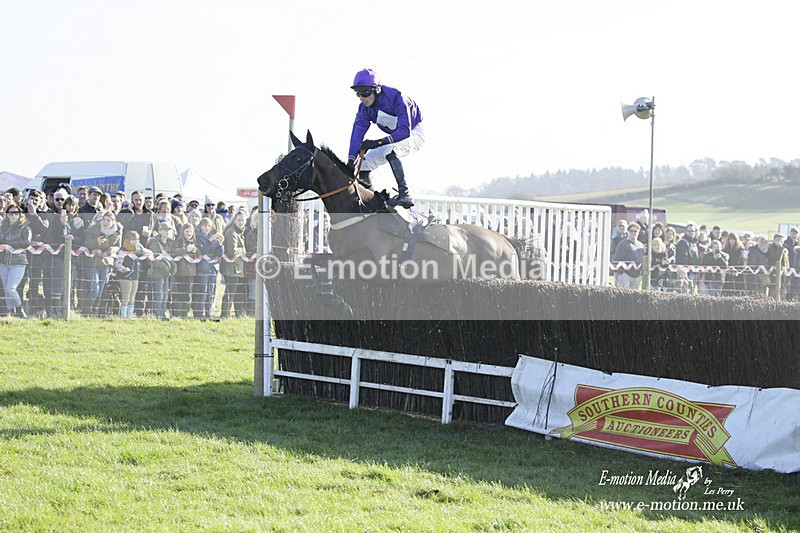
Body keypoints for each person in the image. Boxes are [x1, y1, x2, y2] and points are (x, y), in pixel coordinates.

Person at [347, 68, 423, 208]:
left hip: (414, 133)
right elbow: (356, 135)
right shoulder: (364, 109)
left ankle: (404, 193)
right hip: (395, 138)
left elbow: (404, 131)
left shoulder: (396, 97)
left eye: (365, 93)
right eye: (358, 94)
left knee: (390, 150)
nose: (362, 98)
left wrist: (377, 143)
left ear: (377, 89)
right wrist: (350, 161)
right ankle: (370, 200)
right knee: (363, 164)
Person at [82, 211, 121, 316]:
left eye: (108, 220)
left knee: (100, 291)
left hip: (105, 263)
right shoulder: (93, 230)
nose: (105, 222)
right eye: (104, 220)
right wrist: (96, 242)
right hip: (92, 263)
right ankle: (86, 313)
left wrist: (110, 251)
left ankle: (94, 313)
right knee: (95, 289)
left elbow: (118, 246)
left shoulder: (117, 232)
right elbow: (86, 243)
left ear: (113, 221)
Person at [0, 203, 32, 317]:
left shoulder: (25, 227)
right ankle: (9, 311)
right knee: (6, 288)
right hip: (3, 261)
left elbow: (26, 242)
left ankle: (20, 309)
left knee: (11, 288)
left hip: (18, 261)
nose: (13, 215)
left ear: (20, 214)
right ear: (7, 215)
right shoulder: (2, 228)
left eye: (16, 212)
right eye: (11, 212)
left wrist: (9, 245)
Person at [114, 230, 152, 318]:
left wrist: (142, 249)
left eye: (137, 239)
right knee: (126, 297)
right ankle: (123, 316)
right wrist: (123, 269)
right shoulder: (123, 250)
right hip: (125, 277)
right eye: (133, 239)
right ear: (127, 240)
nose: (136, 241)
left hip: (135, 277)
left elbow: (148, 253)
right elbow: (117, 263)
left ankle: (129, 316)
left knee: (132, 298)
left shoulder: (137, 251)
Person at [194, 218, 224, 320]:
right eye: (205, 225)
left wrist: (220, 244)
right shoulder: (197, 237)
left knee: (211, 292)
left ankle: (208, 313)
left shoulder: (213, 236)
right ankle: (199, 314)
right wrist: (210, 241)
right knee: (202, 292)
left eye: (209, 226)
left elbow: (219, 253)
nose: (207, 228)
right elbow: (203, 250)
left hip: (212, 268)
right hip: (202, 269)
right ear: (200, 226)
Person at [220, 210, 247, 317]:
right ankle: (225, 315)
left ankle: (231, 314)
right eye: (239, 220)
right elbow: (232, 251)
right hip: (231, 267)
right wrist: (243, 250)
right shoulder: (232, 232)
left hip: (237, 267)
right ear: (234, 220)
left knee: (233, 292)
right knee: (230, 292)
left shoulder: (239, 232)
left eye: (243, 220)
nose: (241, 222)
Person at [146, 222, 175, 320]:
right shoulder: (154, 243)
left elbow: (171, 257)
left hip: (167, 273)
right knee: (159, 294)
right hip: (157, 272)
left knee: (165, 295)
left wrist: (172, 267)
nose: (167, 232)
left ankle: (162, 313)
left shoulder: (170, 243)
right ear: (159, 231)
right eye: (165, 229)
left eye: (168, 230)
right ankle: (157, 314)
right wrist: (164, 266)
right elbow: (153, 260)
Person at [170, 223, 197, 318]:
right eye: (187, 231)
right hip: (180, 271)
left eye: (190, 231)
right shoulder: (178, 241)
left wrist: (195, 250)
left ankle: (185, 313)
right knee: (179, 292)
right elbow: (174, 251)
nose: (189, 233)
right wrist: (186, 249)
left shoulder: (194, 242)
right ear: (183, 232)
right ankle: (177, 313)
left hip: (191, 272)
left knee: (188, 293)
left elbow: (199, 254)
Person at [612, 222, 644, 289]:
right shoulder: (622, 244)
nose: (633, 233)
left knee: (635, 297)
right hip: (625, 275)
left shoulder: (641, 246)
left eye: (635, 231)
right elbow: (617, 260)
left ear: (638, 232)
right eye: (631, 231)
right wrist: (620, 274)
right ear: (628, 232)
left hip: (637, 276)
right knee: (623, 297)